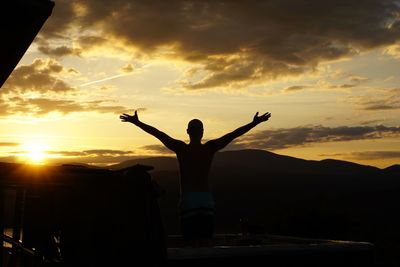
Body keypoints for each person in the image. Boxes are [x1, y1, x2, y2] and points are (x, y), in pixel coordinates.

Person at [120, 111, 271, 246]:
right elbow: (233, 134)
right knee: (206, 241)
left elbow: (158, 134)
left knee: (190, 242)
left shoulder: (181, 148)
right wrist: (254, 123)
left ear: (187, 132)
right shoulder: (210, 148)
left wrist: (137, 122)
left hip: (189, 199)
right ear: (202, 132)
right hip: (206, 199)